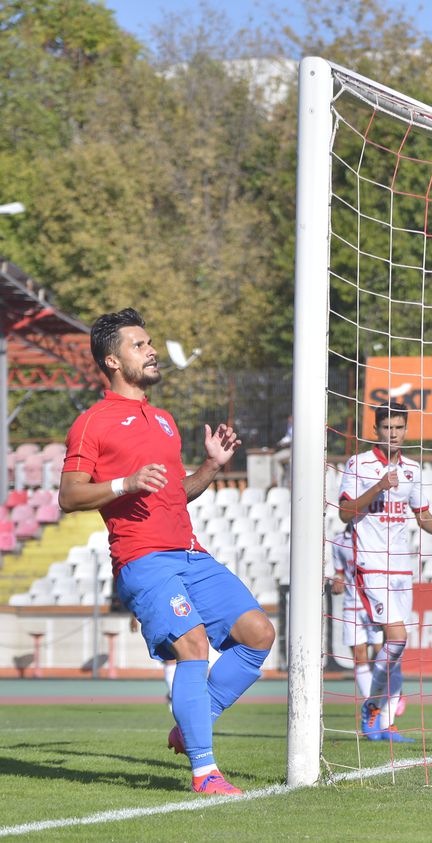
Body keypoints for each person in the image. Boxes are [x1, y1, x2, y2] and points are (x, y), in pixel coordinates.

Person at [59, 308, 275, 796]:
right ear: (112, 360)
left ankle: (192, 720)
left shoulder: (163, 420)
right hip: (143, 560)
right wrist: (123, 482)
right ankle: (205, 772)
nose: (152, 350)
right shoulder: (91, 423)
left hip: (190, 553)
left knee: (259, 633)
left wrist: (212, 467)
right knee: (193, 646)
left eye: (150, 342)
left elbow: (176, 492)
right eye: (140, 345)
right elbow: (70, 496)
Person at [338, 401, 432, 742]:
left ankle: (386, 720)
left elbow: (422, 516)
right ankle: (372, 705)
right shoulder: (358, 464)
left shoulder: (413, 469)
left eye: (398, 428)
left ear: (406, 430)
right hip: (370, 564)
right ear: (375, 431)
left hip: (401, 568)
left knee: (398, 647)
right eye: (386, 428)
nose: (393, 434)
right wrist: (379, 486)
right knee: (398, 638)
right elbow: (345, 513)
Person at [329, 523, 388, 718]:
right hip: (351, 605)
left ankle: (389, 695)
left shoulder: (373, 536)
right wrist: (337, 581)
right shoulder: (338, 542)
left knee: (380, 653)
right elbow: (340, 572)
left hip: (373, 602)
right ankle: (372, 705)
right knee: (359, 656)